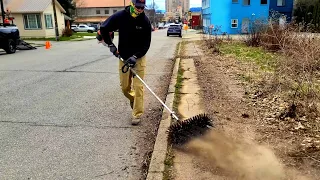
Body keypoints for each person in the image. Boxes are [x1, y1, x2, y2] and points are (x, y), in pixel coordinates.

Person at [97, 0, 152, 125]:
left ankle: (137, 114)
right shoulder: (121, 16)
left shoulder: (145, 21)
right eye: (138, 7)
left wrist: (135, 56)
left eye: (142, 7)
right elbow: (104, 28)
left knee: (138, 87)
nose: (140, 9)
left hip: (139, 57)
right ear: (133, 4)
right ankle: (134, 99)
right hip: (123, 57)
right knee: (125, 88)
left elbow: (146, 44)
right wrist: (110, 45)